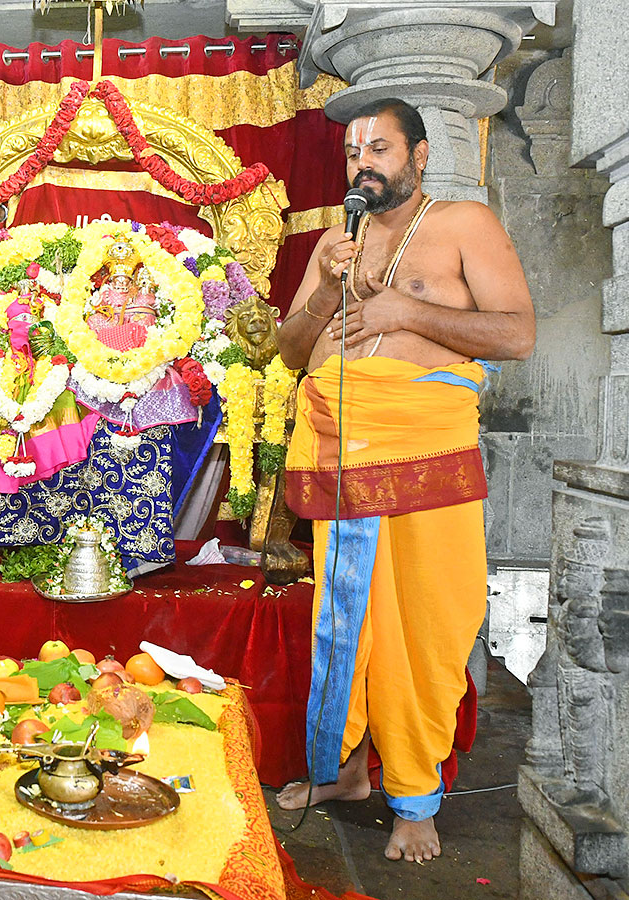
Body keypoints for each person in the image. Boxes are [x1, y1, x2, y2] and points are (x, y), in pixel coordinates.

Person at [274, 98, 535, 863]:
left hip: (427, 457)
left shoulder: (463, 226)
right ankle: (346, 772)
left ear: (419, 156)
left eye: (380, 147)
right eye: (355, 150)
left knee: (427, 623)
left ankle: (415, 795)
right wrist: (327, 289)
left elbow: (517, 332)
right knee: (345, 628)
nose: (365, 162)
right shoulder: (335, 239)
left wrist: (405, 313)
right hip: (343, 455)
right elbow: (292, 352)